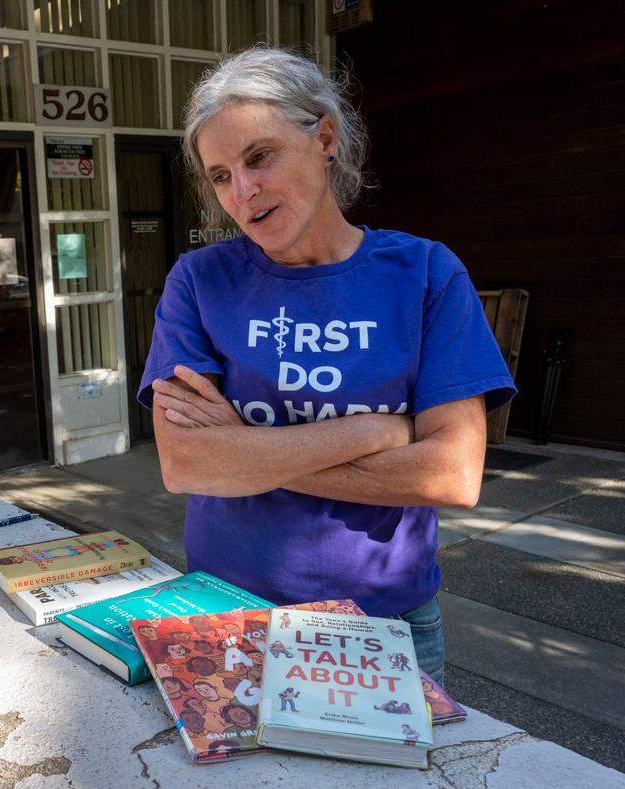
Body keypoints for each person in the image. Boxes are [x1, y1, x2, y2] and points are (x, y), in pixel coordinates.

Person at [137, 48, 517, 688]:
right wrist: (373, 432)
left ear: (325, 140)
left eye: (259, 157)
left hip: (382, 623)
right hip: (224, 609)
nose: (243, 190)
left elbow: (452, 475)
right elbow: (187, 464)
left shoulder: (425, 273)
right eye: (221, 176)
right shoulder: (200, 281)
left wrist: (246, 451)